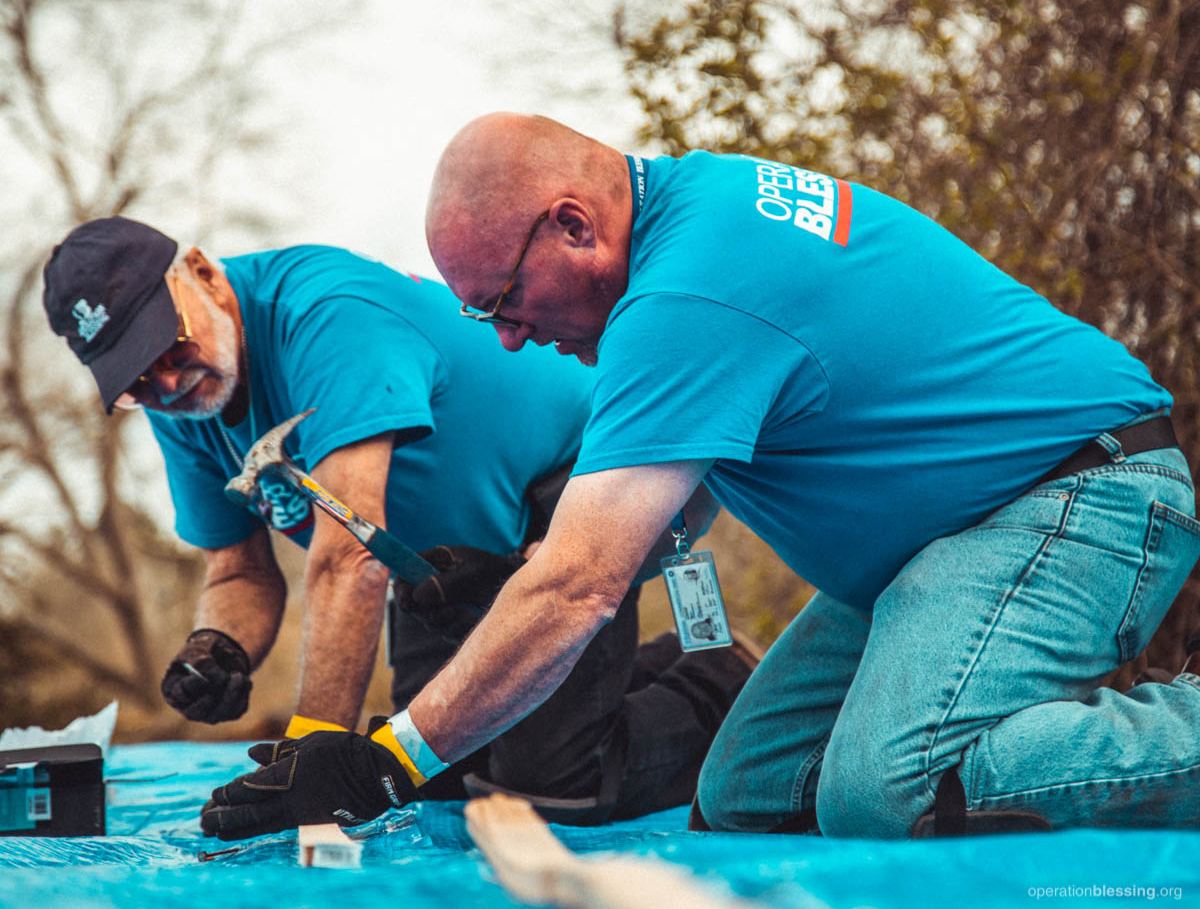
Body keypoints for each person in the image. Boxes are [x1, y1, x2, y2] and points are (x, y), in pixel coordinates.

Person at [198, 113, 1200, 842]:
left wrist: (388, 758)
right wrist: (508, 573)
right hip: (932, 549)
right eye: (480, 317)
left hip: (1078, 497)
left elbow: (583, 585)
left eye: (504, 298)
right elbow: (664, 516)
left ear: (575, 225)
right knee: (746, 794)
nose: (507, 336)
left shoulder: (686, 293)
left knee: (883, 790)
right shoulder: (691, 221)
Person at [41, 216, 757, 824]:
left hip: (586, 478)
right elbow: (237, 570)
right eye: (136, 380)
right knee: (440, 772)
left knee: (549, 784)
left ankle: (721, 678)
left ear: (199, 272)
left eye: (169, 347)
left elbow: (348, 560)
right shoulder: (185, 407)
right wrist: (216, 646)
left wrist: (311, 758)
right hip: (443, 560)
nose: (165, 383)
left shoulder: (324, 313)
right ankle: (629, 671)